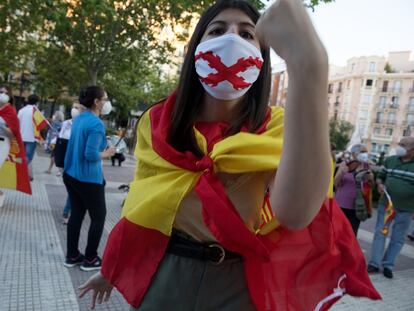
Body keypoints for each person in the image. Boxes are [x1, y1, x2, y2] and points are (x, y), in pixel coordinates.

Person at [78, 1, 380, 310]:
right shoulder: (157, 123)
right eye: (218, 30)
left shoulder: (277, 128)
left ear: (261, 58)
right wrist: (111, 269)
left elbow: (296, 213)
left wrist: (310, 68)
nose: (232, 38)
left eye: (248, 34)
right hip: (166, 273)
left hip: (237, 283)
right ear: (196, 48)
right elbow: (142, 205)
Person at [63, 86, 115, 271]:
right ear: (97, 102)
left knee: (76, 214)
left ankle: (72, 255)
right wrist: (107, 153)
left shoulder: (79, 119)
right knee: (98, 217)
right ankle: (91, 259)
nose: (107, 102)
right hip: (88, 179)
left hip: (70, 174)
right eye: (105, 98)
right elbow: (91, 155)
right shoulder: (96, 124)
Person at [367, 136, 414, 279]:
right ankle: (374, 263)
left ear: (412, 149)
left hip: (406, 209)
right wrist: (379, 184)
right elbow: (381, 176)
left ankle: (388, 265)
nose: (400, 146)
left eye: (404, 145)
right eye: (400, 143)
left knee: (398, 238)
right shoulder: (390, 160)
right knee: (380, 233)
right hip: (386, 206)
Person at [54, 103, 86, 224]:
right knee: (73, 188)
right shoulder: (66, 123)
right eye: (73, 107)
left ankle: (67, 211)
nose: (74, 109)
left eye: (78, 107)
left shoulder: (83, 124)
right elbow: (60, 141)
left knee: (74, 188)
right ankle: (70, 210)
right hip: (65, 159)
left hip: (77, 159)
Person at [0, 85, 31, 206]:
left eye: (5, 93)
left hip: (3, 144)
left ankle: (0, 195)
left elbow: (13, 133)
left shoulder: (11, 112)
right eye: (0, 92)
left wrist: (2, 125)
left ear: (10, 96)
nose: (2, 94)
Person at [334, 144, 374, 236]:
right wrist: (341, 173)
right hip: (340, 205)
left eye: (366, 152)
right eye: (362, 152)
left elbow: (371, 186)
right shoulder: (345, 164)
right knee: (336, 231)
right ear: (354, 153)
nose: (365, 154)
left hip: (357, 207)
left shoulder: (367, 166)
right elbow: (336, 184)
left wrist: (371, 180)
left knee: (351, 233)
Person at [17, 94, 48, 180]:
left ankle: (24, 173)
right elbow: (41, 126)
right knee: (28, 157)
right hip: (31, 137)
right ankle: (20, 172)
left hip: (21, 136)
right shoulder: (36, 111)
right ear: (37, 102)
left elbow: (17, 123)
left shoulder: (21, 110)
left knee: (22, 156)